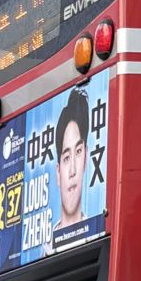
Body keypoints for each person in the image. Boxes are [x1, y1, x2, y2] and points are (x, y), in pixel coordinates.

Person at [54, 90, 91, 233]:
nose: (72, 171)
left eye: (78, 152)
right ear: (58, 172)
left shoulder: (97, 231)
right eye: (66, 158)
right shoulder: (44, 245)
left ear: (86, 158)